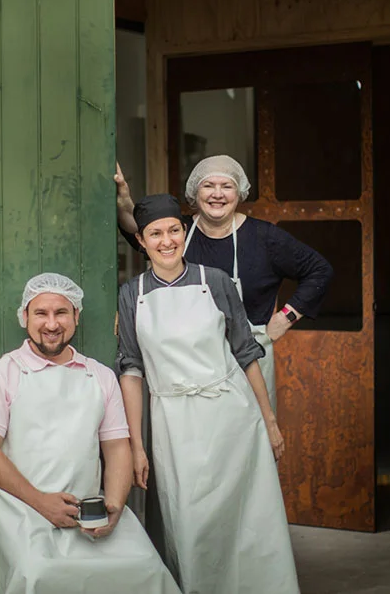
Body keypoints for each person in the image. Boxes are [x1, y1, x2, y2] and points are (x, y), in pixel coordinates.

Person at [116, 193, 300, 594]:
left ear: (184, 233)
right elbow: (131, 369)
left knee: (251, 525)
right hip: (174, 424)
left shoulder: (214, 281)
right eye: (155, 233)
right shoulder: (133, 294)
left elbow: (247, 352)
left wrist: (269, 423)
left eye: (173, 230)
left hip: (232, 418)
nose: (166, 240)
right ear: (142, 241)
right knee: (191, 524)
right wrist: (136, 445)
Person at [0, 273, 181, 594]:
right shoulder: (2, 374)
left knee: (149, 571)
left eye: (61, 313)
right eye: (41, 313)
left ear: (76, 316)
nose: (51, 324)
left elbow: (117, 449)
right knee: (41, 576)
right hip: (24, 517)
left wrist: (115, 506)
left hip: (90, 516)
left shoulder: (100, 376)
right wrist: (41, 503)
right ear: (24, 316)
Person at [115, 155, 333, 411]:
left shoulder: (264, 238)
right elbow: (136, 229)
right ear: (195, 192)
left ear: (239, 192)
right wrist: (124, 199)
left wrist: (285, 318)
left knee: (251, 437)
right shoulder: (178, 233)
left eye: (226, 186)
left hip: (247, 360)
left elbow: (319, 270)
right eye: (208, 186)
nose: (217, 194)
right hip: (186, 362)